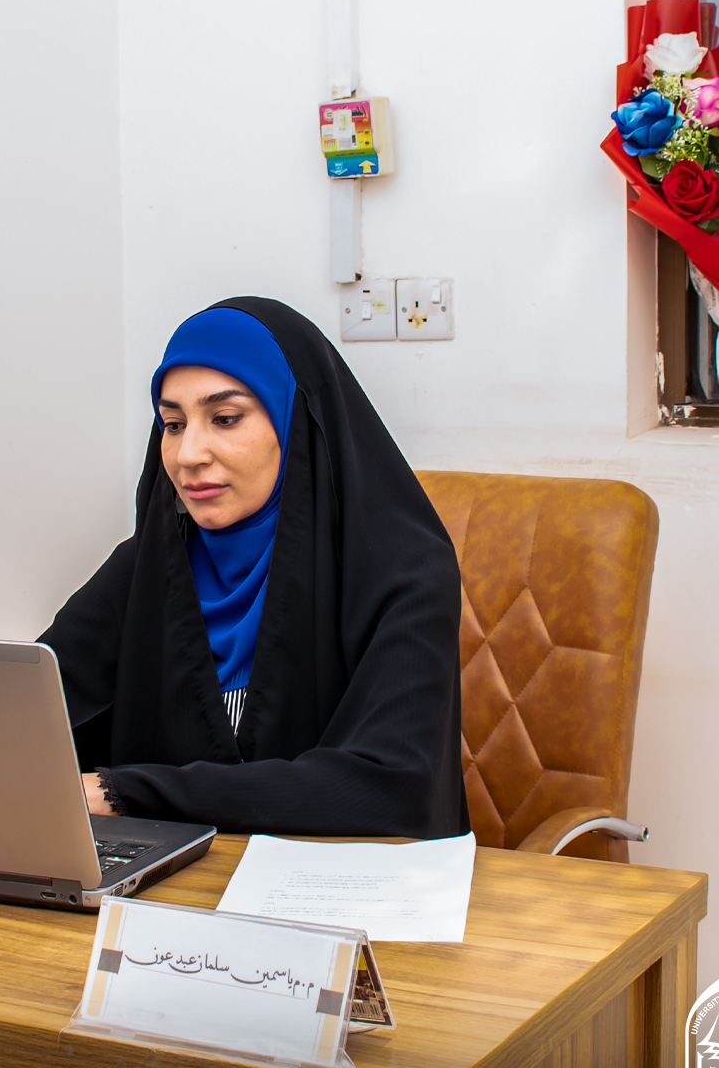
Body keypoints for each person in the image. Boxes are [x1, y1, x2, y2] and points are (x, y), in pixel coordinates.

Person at [38, 296, 469, 837]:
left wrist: (129, 793)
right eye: (173, 424)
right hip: (179, 879)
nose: (188, 454)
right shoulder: (146, 568)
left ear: (295, 422)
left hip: (344, 879)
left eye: (225, 418)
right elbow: (25, 710)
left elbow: (390, 787)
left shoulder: (405, 572)